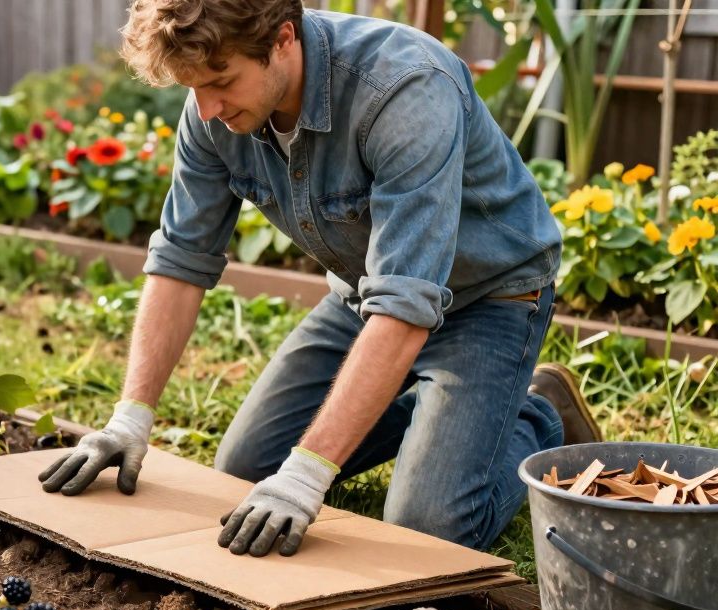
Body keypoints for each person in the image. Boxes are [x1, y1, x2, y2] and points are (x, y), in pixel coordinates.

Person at [37, 0, 601, 557]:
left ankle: (534, 413)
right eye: (193, 89)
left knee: (427, 528)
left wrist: (308, 475)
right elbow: (182, 258)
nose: (207, 109)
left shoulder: (404, 88)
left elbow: (406, 305)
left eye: (222, 82)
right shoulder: (212, 112)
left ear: (283, 38)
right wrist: (129, 419)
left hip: (489, 297)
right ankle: (439, 417)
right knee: (245, 470)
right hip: (365, 295)